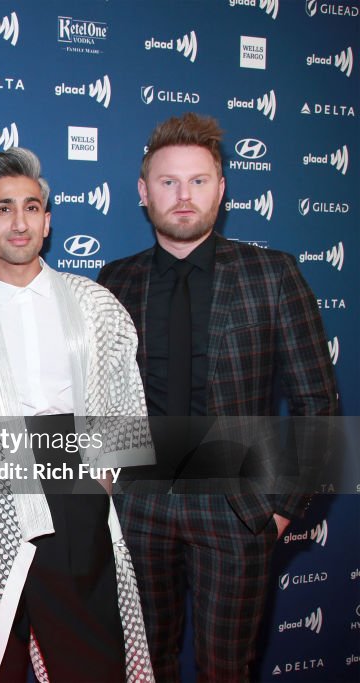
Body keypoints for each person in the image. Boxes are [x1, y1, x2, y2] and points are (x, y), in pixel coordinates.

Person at [97, 112, 339, 681]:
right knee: (142, 666)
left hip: (235, 506)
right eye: (167, 182)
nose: (184, 196)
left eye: (199, 181)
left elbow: (317, 405)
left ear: (222, 188)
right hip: (140, 504)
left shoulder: (272, 275)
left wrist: (281, 509)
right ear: (142, 191)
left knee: (227, 669)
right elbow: (100, 394)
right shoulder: (115, 282)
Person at [0, 147, 155, 683]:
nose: (19, 221)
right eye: (4, 208)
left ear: (48, 220)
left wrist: (105, 478)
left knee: (90, 656)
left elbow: (126, 396)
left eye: (31, 207)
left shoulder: (95, 304)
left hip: (75, 491)